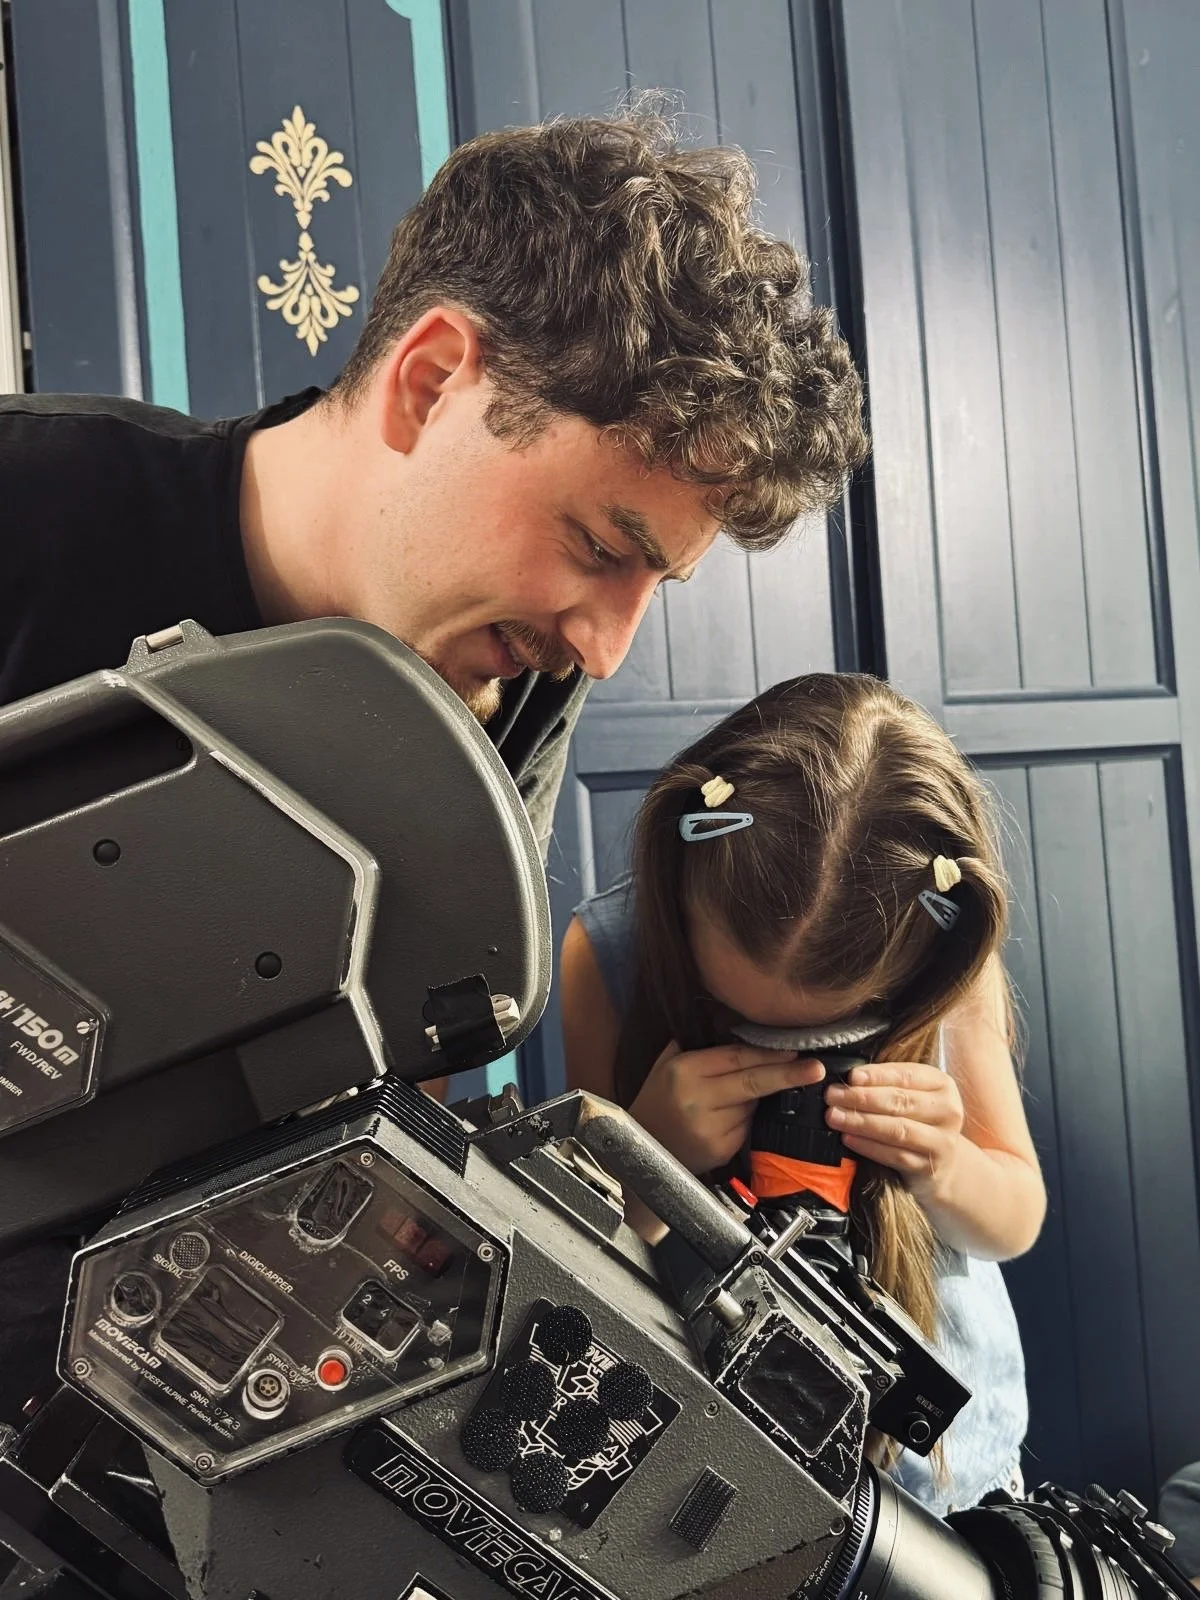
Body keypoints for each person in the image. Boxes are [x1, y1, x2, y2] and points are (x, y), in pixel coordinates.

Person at [0, 110, 867, 1430]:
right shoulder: (29, 508)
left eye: (655, 585)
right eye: (597, 542)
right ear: (431, 380)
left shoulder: (516, 682)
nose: (607, 646)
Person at [560, 673, 1047, 1516]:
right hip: (715, 1475)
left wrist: (946, 1166)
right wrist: (650, 1159)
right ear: (682, 892)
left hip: (949, 1483)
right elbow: (576, 1259)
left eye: (830, 1033)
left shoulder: (939, 944)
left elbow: (1014, 1217)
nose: (780, 1051)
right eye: (736, 1017)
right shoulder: (607, 953)